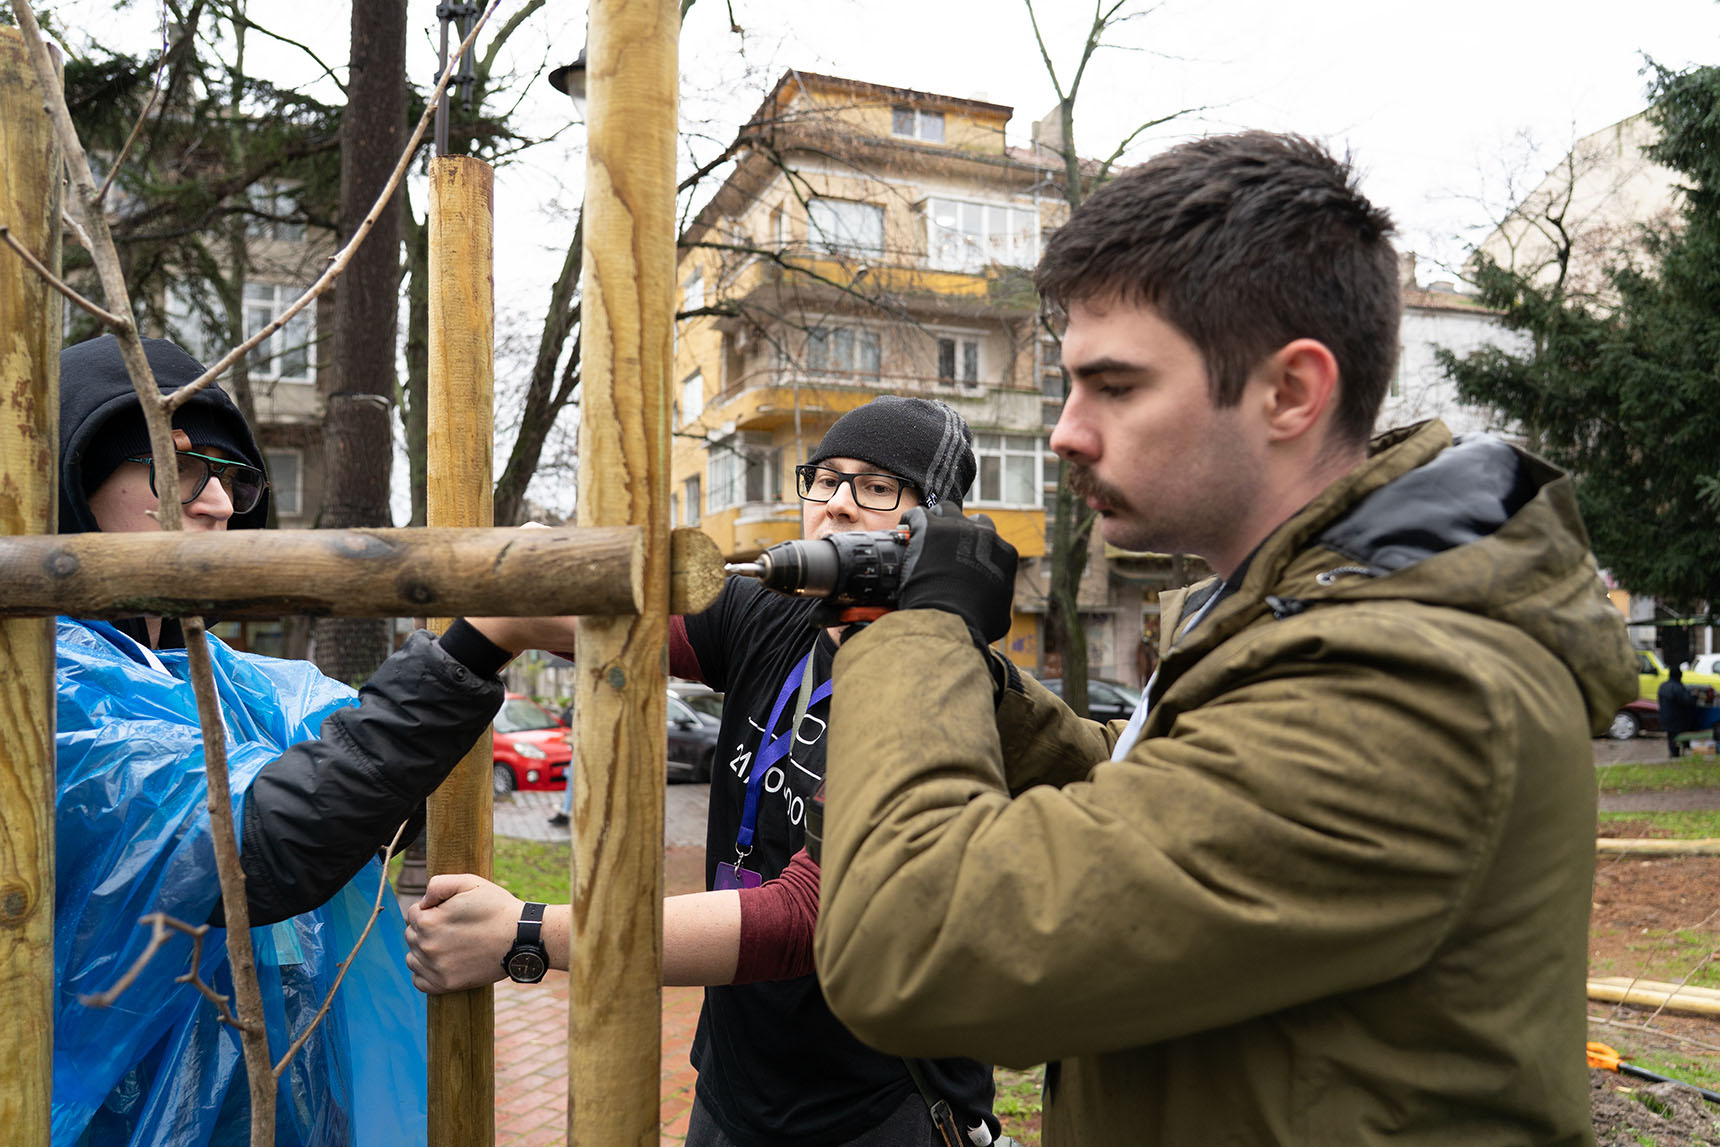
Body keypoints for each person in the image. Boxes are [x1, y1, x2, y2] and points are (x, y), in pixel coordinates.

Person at [809, 132, 1638, 1144]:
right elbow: (1154, 819)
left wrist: (921, 629)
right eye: (1070, 386)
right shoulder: (1273, 611)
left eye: (1114, 387)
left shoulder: (1407, 687)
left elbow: (913, 941)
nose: (1067, 431)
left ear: (1289, 391)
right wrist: (995, 702)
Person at [405, 396, 1002, 1146]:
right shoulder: (775, 615)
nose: (839, 507)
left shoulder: (945, 680)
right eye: (825, 480)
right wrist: (548, 565)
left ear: (933, 523)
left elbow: (808, 916)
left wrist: (530, 933)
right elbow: (593, 624)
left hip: (874, 1110)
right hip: (731, 1088)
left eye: (878, 487)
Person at [52, 335, 540, 1147]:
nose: (213, 503)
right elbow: (255, 850)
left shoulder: (226, 681)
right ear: (75, 472)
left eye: (232, 477)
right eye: (177, 468)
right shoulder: (49, 689)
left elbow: (366, 807)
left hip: (283, 1105)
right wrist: (484, 638)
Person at [1659, 665, 1698, 758]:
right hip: (1678, 720)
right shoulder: (1678, 688)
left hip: (1665, 719)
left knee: (1671, 738)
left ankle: (1673, 753)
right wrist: (1695, 696)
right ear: (1679, 676)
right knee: (1680, 737)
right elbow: (1688, 701)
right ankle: (1679, 753)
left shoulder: (1663, 686)